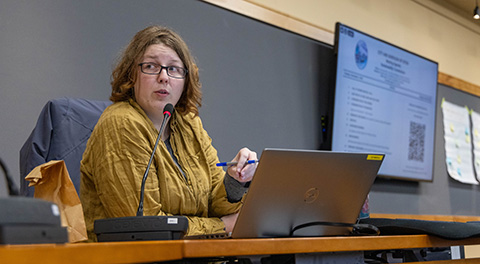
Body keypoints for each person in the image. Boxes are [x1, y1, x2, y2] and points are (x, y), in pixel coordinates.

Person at [80, 25, 257, 242]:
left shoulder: (189, 124)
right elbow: (144, 227)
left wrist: (235, 181)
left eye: (173, 69)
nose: (164, 77)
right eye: (151, 66)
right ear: (131, 74)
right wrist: (222, 226)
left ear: (185, 80)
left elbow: (215, 204)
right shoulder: (120, 124)